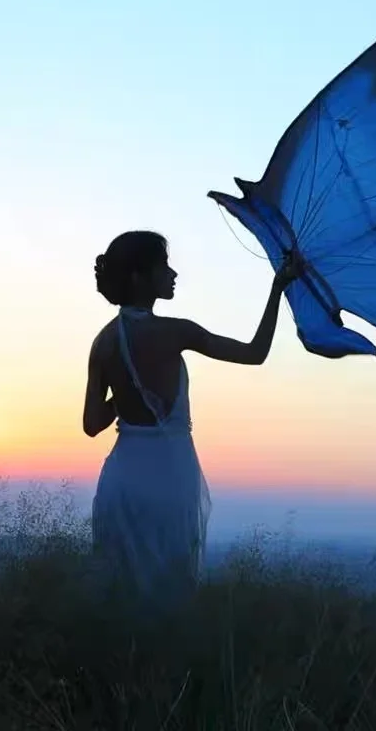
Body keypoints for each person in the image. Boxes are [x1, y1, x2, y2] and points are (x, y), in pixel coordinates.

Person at [84, 230, 298, 607]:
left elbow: (91, 424)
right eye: (163, 266)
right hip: (168, 477)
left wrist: (128, 393)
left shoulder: (102, 343)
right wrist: (278, 288)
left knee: (120, 597)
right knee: (169, 594)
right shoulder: (176, 331)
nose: (173, 273)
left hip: (121, 480)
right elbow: (254, 353)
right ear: (139, 277)